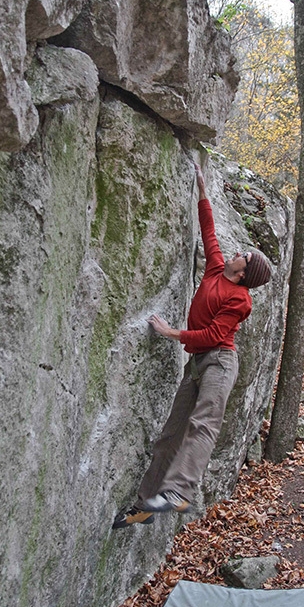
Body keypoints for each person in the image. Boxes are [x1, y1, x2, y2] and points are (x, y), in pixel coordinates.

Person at [113, 163, 271, 529]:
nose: (235, 253)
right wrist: (202, 188)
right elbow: (209, 231)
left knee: (203, 424)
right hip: (197, 365)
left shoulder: (240, 300)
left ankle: (180, 492)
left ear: (244, 273)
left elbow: (214, 337)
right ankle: (145, 506)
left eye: (242, 256)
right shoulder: (217, 269)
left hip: (219, 363)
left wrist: (171, 333)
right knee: (170, 435)